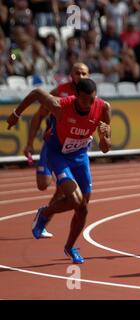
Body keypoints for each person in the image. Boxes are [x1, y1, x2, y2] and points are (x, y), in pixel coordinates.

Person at [6, 79, 112, 264]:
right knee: (75, 200)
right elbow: (37, 93)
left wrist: (104, 137)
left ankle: (70, 247)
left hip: (80, 157)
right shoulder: (61, 105)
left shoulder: (103, 108)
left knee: (83, 207)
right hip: (58, 154)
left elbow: (105, 149)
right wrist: (16, 113)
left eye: (92, 100)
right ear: (76, 95)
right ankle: (45, 213)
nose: (88, 104)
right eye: (85, 100)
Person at [24, 63, 90, 239]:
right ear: (71, 74)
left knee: (66, 191)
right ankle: (57, 179)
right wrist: (29, 143)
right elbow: (38, 115)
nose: (81, 76)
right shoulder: (59, 91)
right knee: (42, 184)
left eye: (84, 73)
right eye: (78, 73)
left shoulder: (90, 97)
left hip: (72, 152)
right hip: (53, 146)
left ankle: (45, 220)